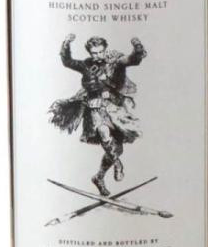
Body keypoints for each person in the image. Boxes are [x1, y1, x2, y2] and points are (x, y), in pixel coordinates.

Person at [49, 34, 147, 196]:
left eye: (100, 51)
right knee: (103, 133)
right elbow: (67, 62)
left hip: (115, 109)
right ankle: (118, 164)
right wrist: (66, 44)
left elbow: (132, 60)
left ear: (105, 50)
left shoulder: (115, 63)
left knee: (117, 148)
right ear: (90, 52)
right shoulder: (86, 65)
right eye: (94, 53)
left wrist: (137, 48)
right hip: (94, 108)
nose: (98, 55)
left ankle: (99, 177)